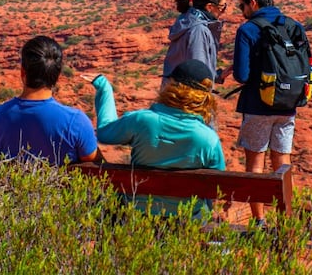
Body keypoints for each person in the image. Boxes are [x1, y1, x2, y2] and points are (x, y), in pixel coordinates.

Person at [87, 58, 225, 217]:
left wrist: (104, 88)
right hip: (186, 220)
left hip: (137, 213)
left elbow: (104, 133)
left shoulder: (142, 120)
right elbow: (218, 185)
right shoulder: (209, 139)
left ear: (172, 87)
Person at [230, 0, 311, 226]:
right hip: (288, 105)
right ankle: (285, 221)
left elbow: (242, 75)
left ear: (253, 3)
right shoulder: (294, 25)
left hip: (257, 106)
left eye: (242, 5)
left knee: (256, 165)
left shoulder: (248, 30)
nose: (242, 11)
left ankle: (259, 222)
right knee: (283, 163)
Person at [0, 35, 100, 166]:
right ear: (57, 75)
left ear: (23, 72)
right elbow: (93, 161)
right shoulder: (75, 121)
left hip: (8, 179)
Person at [162, 0, 226, 84]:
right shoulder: (198, 30)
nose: (223, 11)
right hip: (188, 92)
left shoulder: (187, 19)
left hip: (176, 89)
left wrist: (218, 75)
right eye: (222, 7)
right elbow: (198, 72)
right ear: (209, 7)